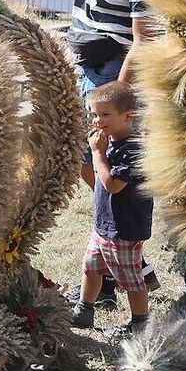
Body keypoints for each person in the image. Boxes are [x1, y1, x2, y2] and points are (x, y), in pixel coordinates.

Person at [65, 0, 161, 309]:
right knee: (88, 163)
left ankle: (116, 269)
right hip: (85, 56)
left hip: (111, 66)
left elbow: (143, 40)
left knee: (101, 160)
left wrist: (116, 95)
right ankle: (116, 261)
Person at [70, 82, 153, 339]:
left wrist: (97, 155)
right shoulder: (111, 143)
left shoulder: (133, 149)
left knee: (131, 279)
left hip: (124, 228)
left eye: (105, 114)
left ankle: (140, 323)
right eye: (94, 114)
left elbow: (113, 185)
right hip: (104, 225)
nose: (97, 120)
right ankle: (84, 310)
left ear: (128, 115)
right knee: (91, 267)